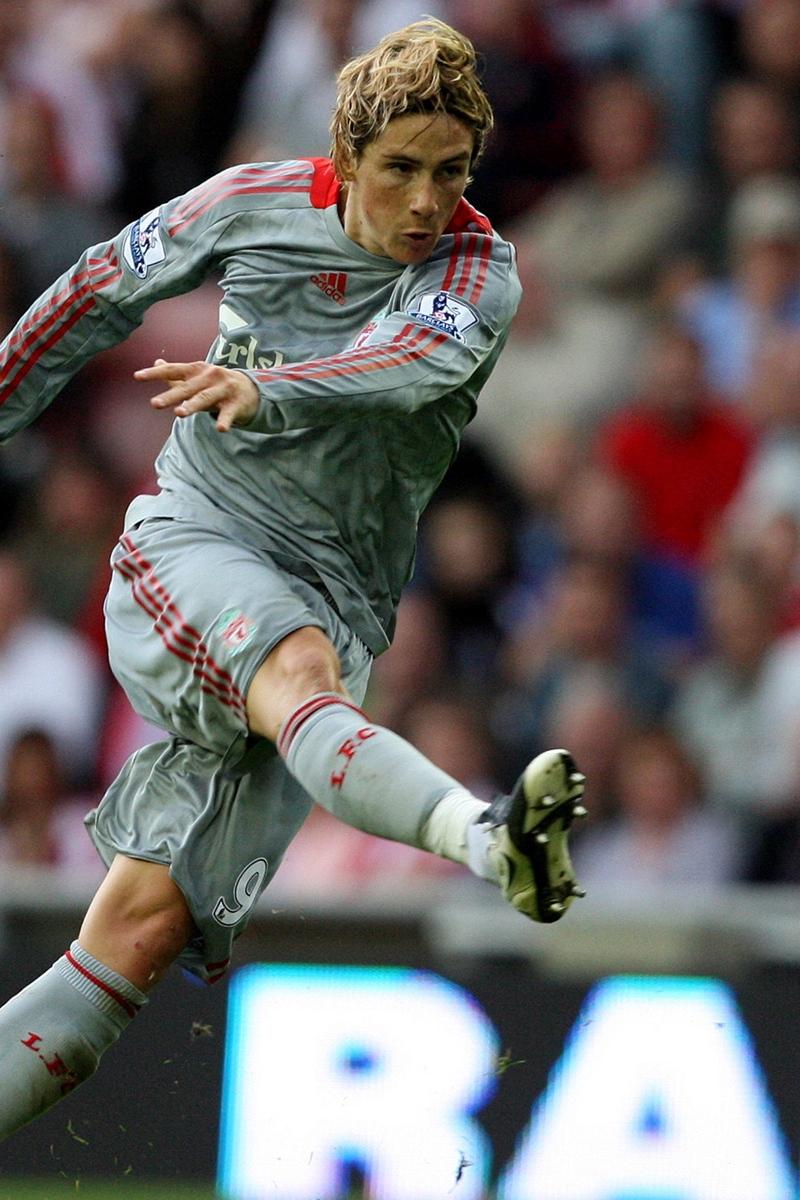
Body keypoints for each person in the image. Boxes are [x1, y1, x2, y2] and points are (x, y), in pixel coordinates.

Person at [0, 18, 587, 1139]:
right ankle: (487, 837)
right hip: (198, 539)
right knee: (298, 669)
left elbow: (399, 363)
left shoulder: (479, 273)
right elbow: (95, 291)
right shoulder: (250, 202)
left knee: (133, 938)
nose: (427, 201)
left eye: (450, 172)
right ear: (345, 158)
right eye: (401, 169)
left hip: (336, 597)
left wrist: (272, 388)